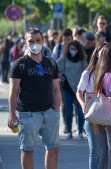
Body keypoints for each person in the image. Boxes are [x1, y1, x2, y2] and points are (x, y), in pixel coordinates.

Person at [7, 27, 61, 169]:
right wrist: (12, 114)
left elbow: (56, 89)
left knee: (53, 148)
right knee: (27, 150)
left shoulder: (51, 63)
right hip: (27, 114)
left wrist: (56, 110)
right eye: (31, 41)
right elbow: (13, 92)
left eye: (38, 40)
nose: (35, 43)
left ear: (43, 41)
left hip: (49, 112)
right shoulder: (19, 64)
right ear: (25, 42)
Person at [76, 44, 106, 169]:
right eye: (103, 53)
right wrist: (83, 105)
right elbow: (79, 92)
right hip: (92, 114)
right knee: (95, 152)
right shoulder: (88, 73)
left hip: (109, 114)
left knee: (107, 152)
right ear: (97, 54)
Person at [56, 40, 88, 140]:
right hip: (67, 89)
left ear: (79, 50)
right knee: (68, 111)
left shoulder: (82, 60)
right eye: (71, 49)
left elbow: (87, 72)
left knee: (80, 111)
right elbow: (54, 67)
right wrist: (59, 75)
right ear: (68, 49)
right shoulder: (64, 59)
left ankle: (80, 132)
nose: (73, 51)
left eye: (75, 49)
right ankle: (69, 131)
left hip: (80, 90)